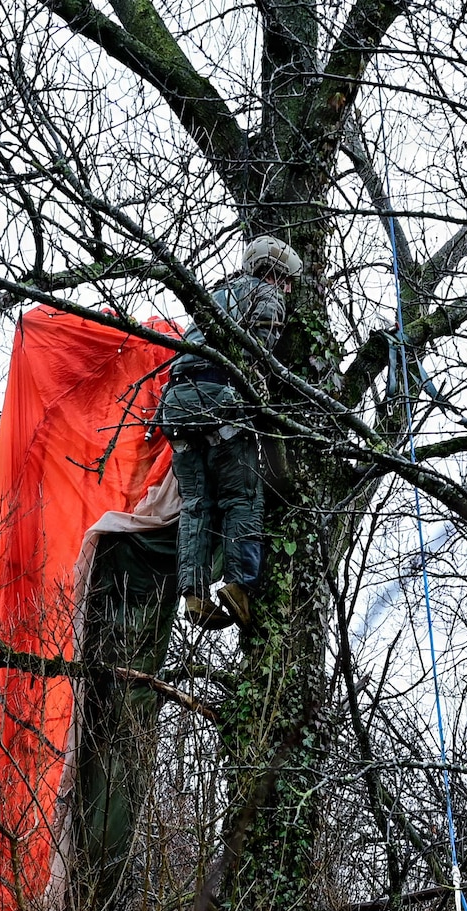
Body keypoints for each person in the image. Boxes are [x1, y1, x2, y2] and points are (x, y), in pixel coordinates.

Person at [155, 236, 304, 631]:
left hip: (175, 407)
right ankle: (239, 584)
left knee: (195, 506)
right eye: (286, 280)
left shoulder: (213, 297)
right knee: (242, 495)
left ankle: (194, 594)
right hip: (218, 399)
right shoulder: (265, 296)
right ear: (274, 273)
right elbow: (258, 355)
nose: (287, 289)